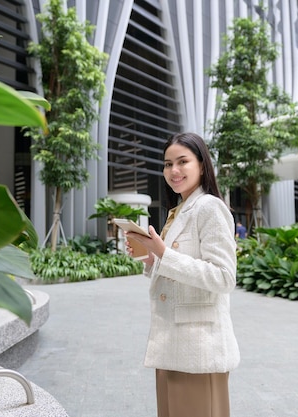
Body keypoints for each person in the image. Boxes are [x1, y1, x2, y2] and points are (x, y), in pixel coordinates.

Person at [125, 132, 240, 417]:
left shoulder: (210, 208)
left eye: (182, 162)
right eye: (167, 164)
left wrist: (164, 254)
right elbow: (177, 268)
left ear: (202, 165)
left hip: (198, 349)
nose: (173, 171)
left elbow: (224, 277)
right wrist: (151, 258)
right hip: (172, 344)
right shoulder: (180, 210)